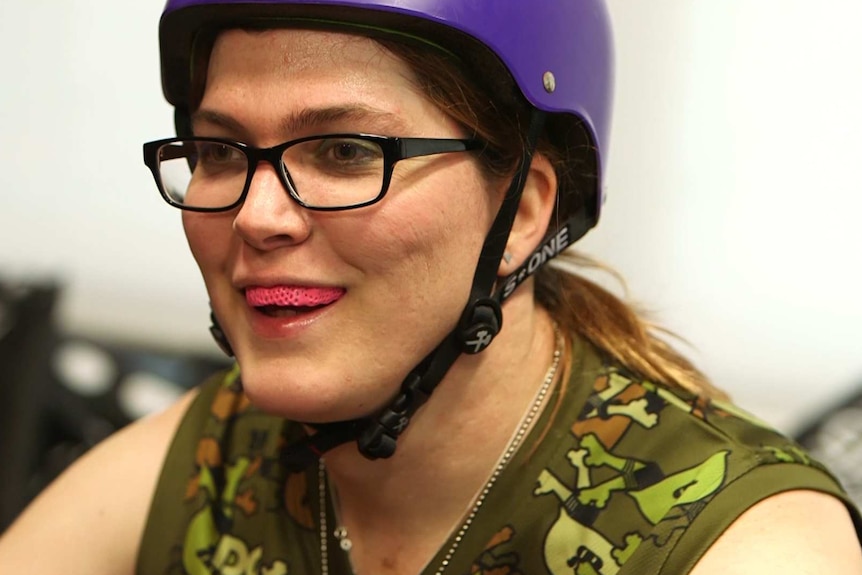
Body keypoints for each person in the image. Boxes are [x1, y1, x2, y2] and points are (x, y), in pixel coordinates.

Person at [1, 0, 861, 573]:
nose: (259, 215)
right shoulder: (214, 458)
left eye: (344, 151)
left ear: (522, 211)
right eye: (223, 152)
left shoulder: (742, 543)